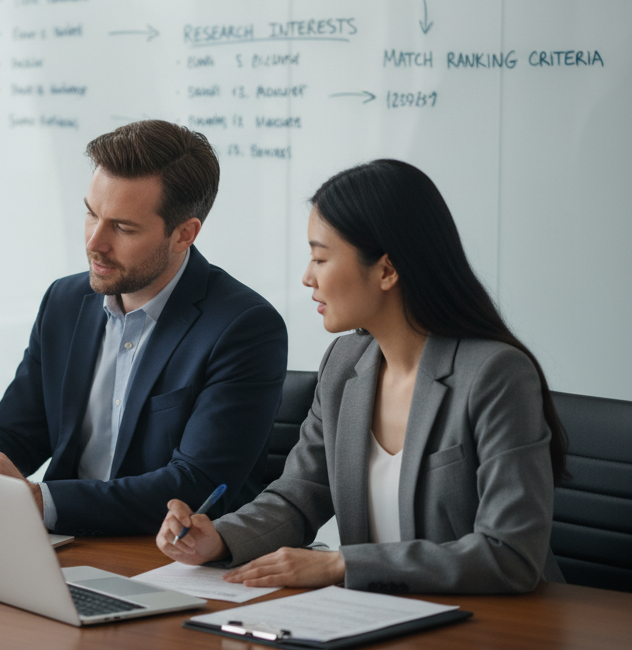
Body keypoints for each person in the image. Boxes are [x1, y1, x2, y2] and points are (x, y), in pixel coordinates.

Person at [156, 159, 568, 594]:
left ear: (387, 270)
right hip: (381, 616)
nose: (307, 276)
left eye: (320, 257)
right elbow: (297, 498)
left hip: (496, 624)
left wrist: (340, 565)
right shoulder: (345, 363)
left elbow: (510, 554)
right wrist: (218, 537)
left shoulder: (495, 375)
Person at [0, 120, 288, 536]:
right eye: (91, 214)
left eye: (123, 227)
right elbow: (20, 432)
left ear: (184, 234)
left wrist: (39, 501)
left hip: (170, 558)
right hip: (63, 540)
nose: (95, 242)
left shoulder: (243, 328)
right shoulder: (64, 301)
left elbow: (194, 484)